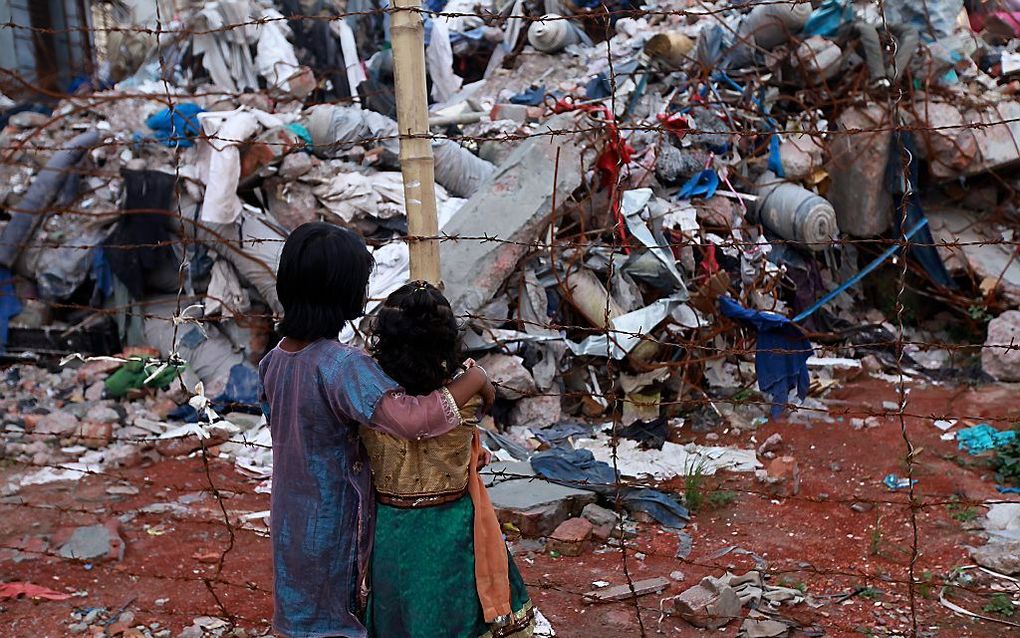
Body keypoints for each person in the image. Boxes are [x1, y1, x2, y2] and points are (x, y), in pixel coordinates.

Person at [258, 223, 496, 638]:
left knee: (303, 612)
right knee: (338, 617)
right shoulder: (340, 365)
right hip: (335, 519)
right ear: (344, 292)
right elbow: (412, 420)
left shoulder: (275, 359)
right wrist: (473, 382)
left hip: (290, 519)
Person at [362, 281, 535, 638]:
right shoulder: (468, 393)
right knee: (453, 615)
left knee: (399, 613)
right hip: (452, 527)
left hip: (393, 529)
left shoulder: (366, 396)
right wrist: (479, 376)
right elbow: (461, 401)